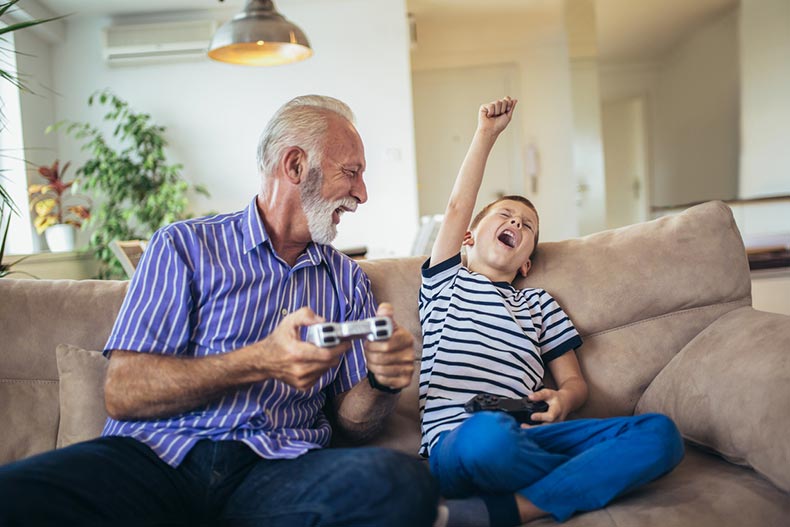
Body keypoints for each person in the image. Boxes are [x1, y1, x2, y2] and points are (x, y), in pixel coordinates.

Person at [0, 95, 438, 526]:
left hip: (275, 471)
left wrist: (381, 382)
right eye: (352, 172)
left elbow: (353, 425)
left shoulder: (345, 279)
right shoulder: (183, 246)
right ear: (295, 166)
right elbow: (124, 392)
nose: (362, 193)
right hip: (156, 460)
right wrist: (259, 360)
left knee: (401, 484)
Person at [419, 97, 684, 527]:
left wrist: (564, 400)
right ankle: (581, 482)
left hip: (534, 436)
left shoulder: (539, 303)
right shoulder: (445, 282)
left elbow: (574, 382)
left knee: (661, 436)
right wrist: (487, 134)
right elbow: (455, 208)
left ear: (526, 263)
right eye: (506, 216)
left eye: (528, 227)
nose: (517, 225)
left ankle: (516, 508)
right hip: (459, 440)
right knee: (489, 438)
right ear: (467, 239)